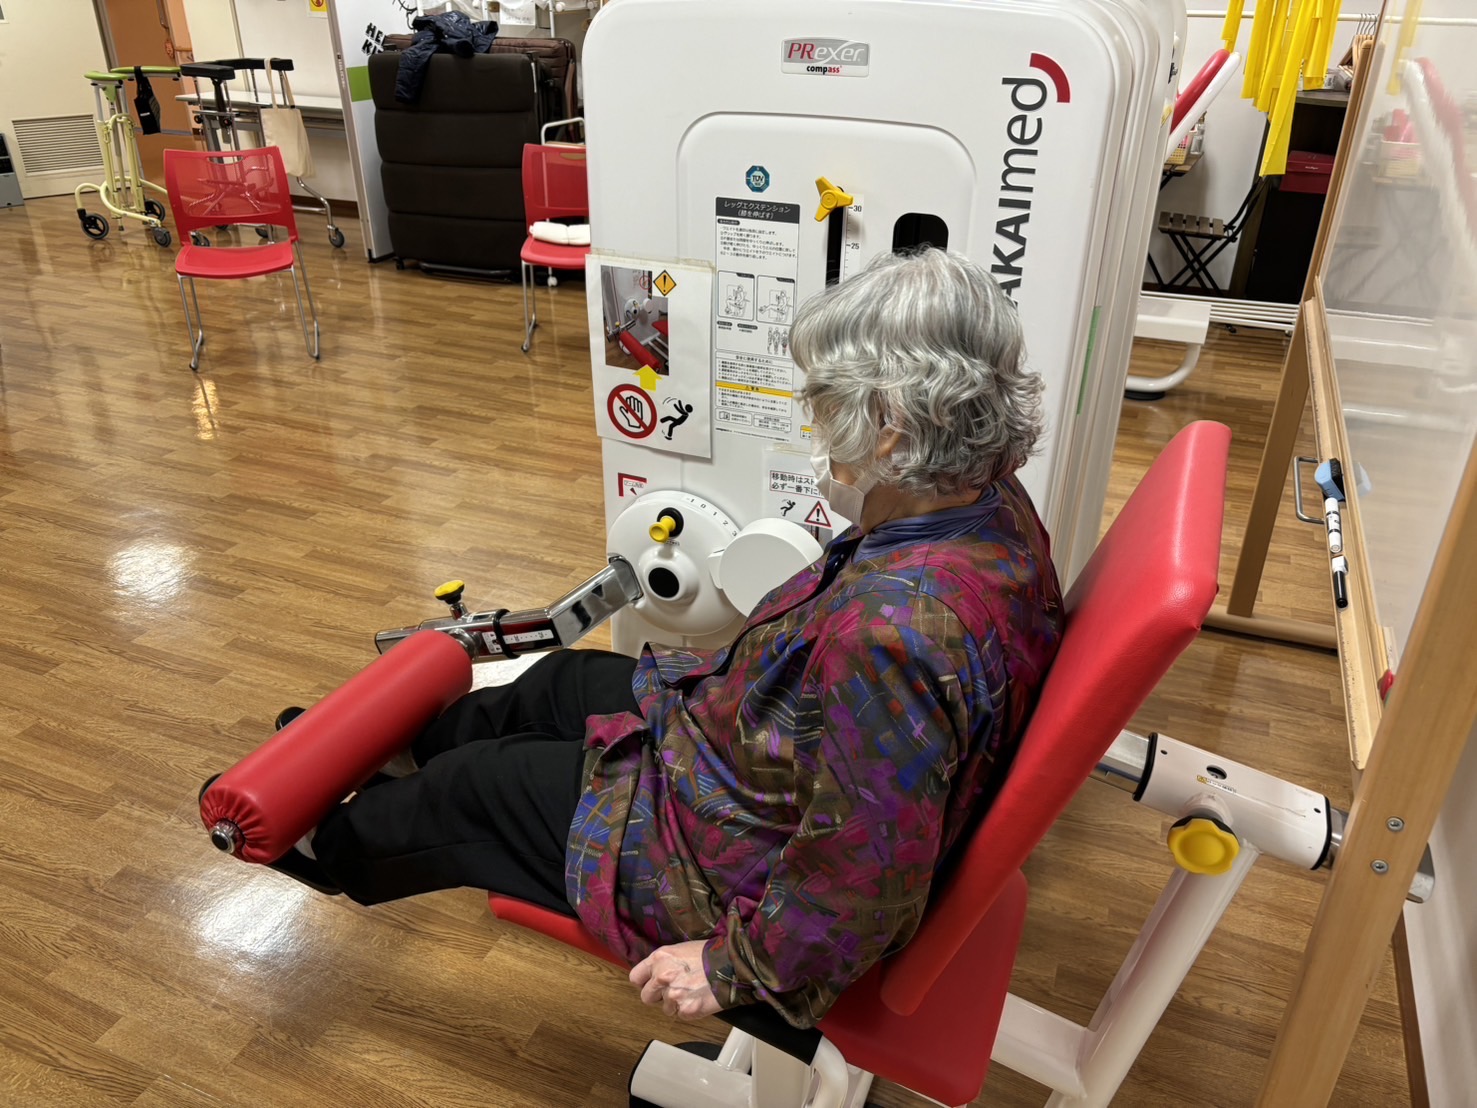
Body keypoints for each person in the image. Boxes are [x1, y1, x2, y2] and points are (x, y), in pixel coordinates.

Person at [291, 248, 1064, 1030]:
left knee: (485, 785)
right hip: (755, 746)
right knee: (558, 682)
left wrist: (734, 966)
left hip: (731, 853)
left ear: (891, 430)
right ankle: (394, 754)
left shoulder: (893, 634)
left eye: (825, 410)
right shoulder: (985, 498)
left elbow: (866, 871)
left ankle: (328, 840)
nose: (818, 433)